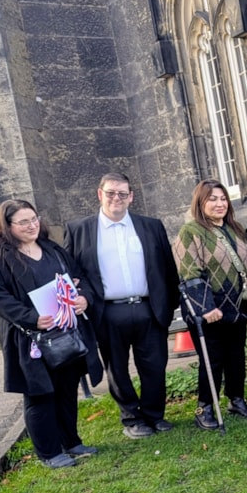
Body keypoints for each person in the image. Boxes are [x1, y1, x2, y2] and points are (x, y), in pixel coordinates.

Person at [0, 200, 103, 468]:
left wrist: (84, 298)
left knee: (67, 388)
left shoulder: (52, 249)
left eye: (34, 219)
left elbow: (79, 278)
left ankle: (71, 442)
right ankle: (49, 452)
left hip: (65, 331)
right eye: (23, 222)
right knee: (39, 393)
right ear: (7, 226)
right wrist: (32, 318)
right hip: (29, 337)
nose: (32, 225)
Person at [65, 173, 180, 439]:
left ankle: (154, 415)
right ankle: (132, 417)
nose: (116, 198)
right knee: (116, 368)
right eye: (110, 193)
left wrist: (168, 304)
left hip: (148, 308)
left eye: (122, 193)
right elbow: (71, 272)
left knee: (155, 364)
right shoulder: (79, 230)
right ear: (99, 194)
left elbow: (168, 269)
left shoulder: (151, 226)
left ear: (131, 196)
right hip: (107, 311)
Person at [172, 180, 247, 429]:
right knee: (212, 360)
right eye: (212, 199)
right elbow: (190, 273)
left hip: (237, 305)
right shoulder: (191, 232)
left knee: (235, 356)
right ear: (200, 203)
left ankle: (236, 399)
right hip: (208, 309)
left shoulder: (236, 229)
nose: (219, 203)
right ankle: (204, 408)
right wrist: (206, 308)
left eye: (222, 198)